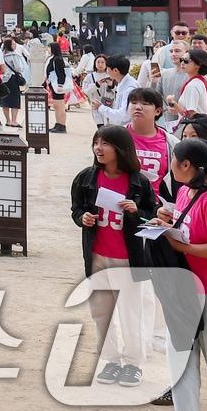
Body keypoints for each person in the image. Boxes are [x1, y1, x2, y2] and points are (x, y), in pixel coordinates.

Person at [71, 125, 157, 389]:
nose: (99, 148)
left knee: (131, 312)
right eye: (96, 142)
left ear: (120, 149)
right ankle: (110, 359)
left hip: (128, 259)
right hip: (97, 256)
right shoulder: (86, 178)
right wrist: (82, 218)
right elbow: (76, 209)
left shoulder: (138, 182)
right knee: (101, 312)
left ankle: (133, 363)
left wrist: (136, 211)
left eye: (106, 143)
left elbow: (150, 216)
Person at [155, 137, 207, 411]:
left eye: (174, 159)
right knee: (180, 351)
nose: (171, 165)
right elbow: (187, 226)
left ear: (186, 164)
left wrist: (182, 247)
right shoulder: (185, 192)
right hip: (185, 286)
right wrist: (166, 220)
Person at [170, 50, 207, 131]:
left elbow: (191, 115)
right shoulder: (200, 81)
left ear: (198, 64)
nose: (182, 63)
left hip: (194, 130)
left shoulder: (193, 85)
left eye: (186, 61)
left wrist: (172, 103)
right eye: (181, 60)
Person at [97, 55, 138, 128]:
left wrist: (101, 107)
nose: (106, 71)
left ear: (115, 70)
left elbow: (123, 115)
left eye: (108, 68)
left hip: (127, 130)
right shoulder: (122, 83)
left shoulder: (129, 88)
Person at [0, 36, 30, 127]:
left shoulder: (1, 55)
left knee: (4, 100)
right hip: (12, 79)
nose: (14, 45)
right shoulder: (14, 55)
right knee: (14, 100)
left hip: (3, 79)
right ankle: (14, 121)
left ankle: (8, 120)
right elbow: (18, 68)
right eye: (13, 44)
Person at [45, 42, 73, 134]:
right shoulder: (53, 58)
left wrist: (61, 84)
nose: (48, 50)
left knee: (60, 106)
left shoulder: (57, 59)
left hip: (58, 85)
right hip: (53, 85)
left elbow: (61, 73)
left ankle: (62, 125)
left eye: (49, 48)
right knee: (57, 106)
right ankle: (58, 123)